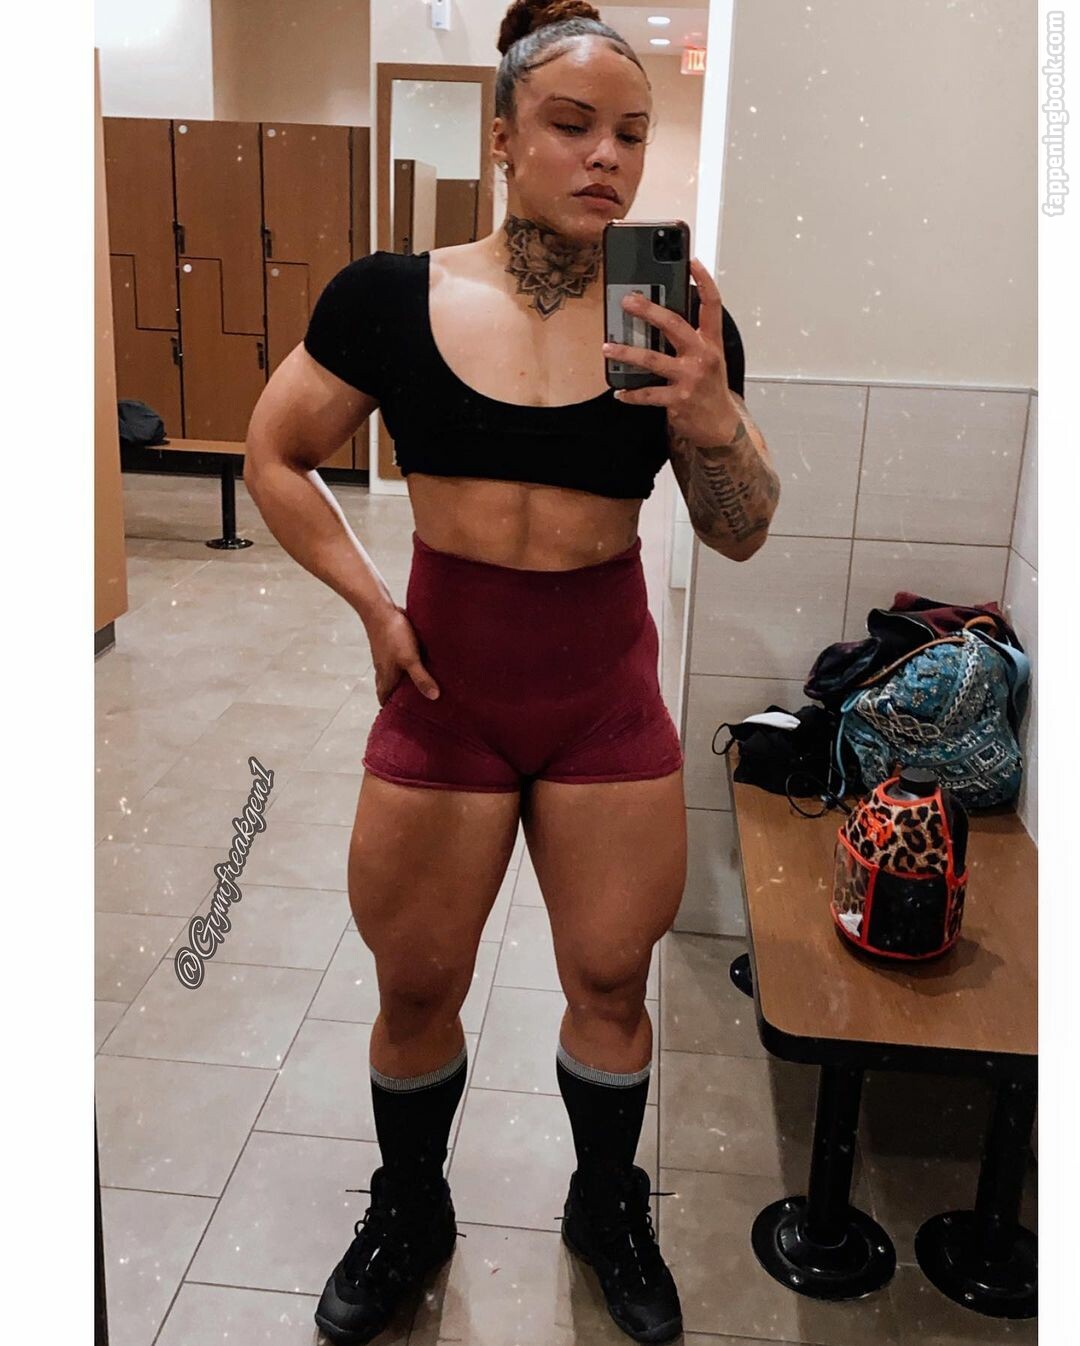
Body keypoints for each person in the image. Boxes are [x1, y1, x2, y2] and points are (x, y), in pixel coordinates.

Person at [243, 2, 779, 1342]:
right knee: (416, 983)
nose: (609, 156)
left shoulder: (676, 314)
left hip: (603, 696)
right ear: (501, 137)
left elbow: (742, 527)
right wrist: (371, 603)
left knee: (610, 979)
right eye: (573, 124)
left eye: (632, 134)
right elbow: (273, 452)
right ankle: (410, 1205)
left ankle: (605, 1205)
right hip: (447, 693)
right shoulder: (390, 297)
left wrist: (714, 411)